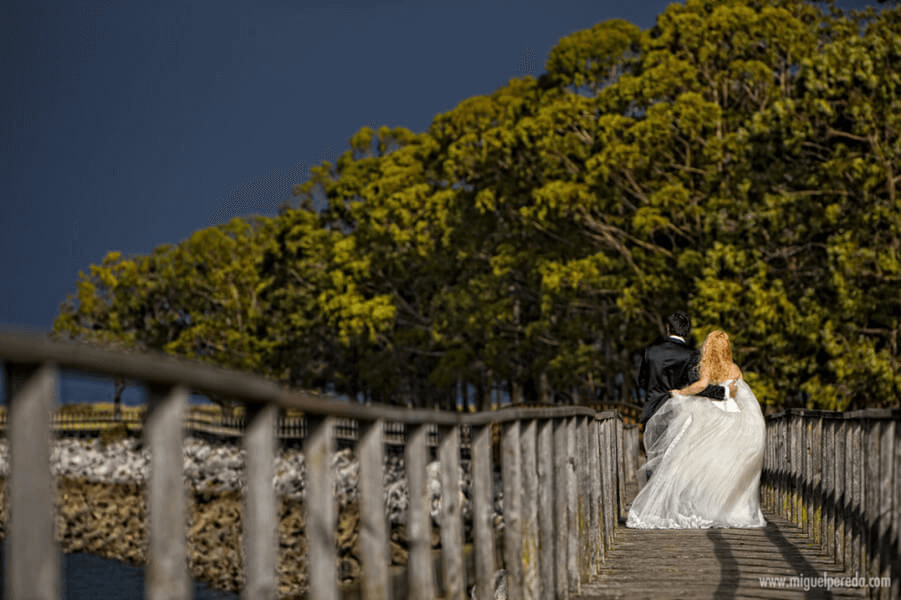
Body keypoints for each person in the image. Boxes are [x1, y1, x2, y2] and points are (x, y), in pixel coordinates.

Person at [626, 330, 767, 529]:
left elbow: (700, 386)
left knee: (699, 463)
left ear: (709, 347)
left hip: (711, 419)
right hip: (733, 421)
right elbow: (739, 395)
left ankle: (699, 506)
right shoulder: (734, 368)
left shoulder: (706, 366)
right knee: (725, 466)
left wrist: (680, 392)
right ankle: (726, 508)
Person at [638, 312, 728, 432]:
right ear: (687, 331)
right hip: (677, 417)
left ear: (668, 328)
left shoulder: (650, 351)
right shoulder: (691, 355)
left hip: (651, 414)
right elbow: (697, 386)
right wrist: (723, 392)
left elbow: (642, 382)